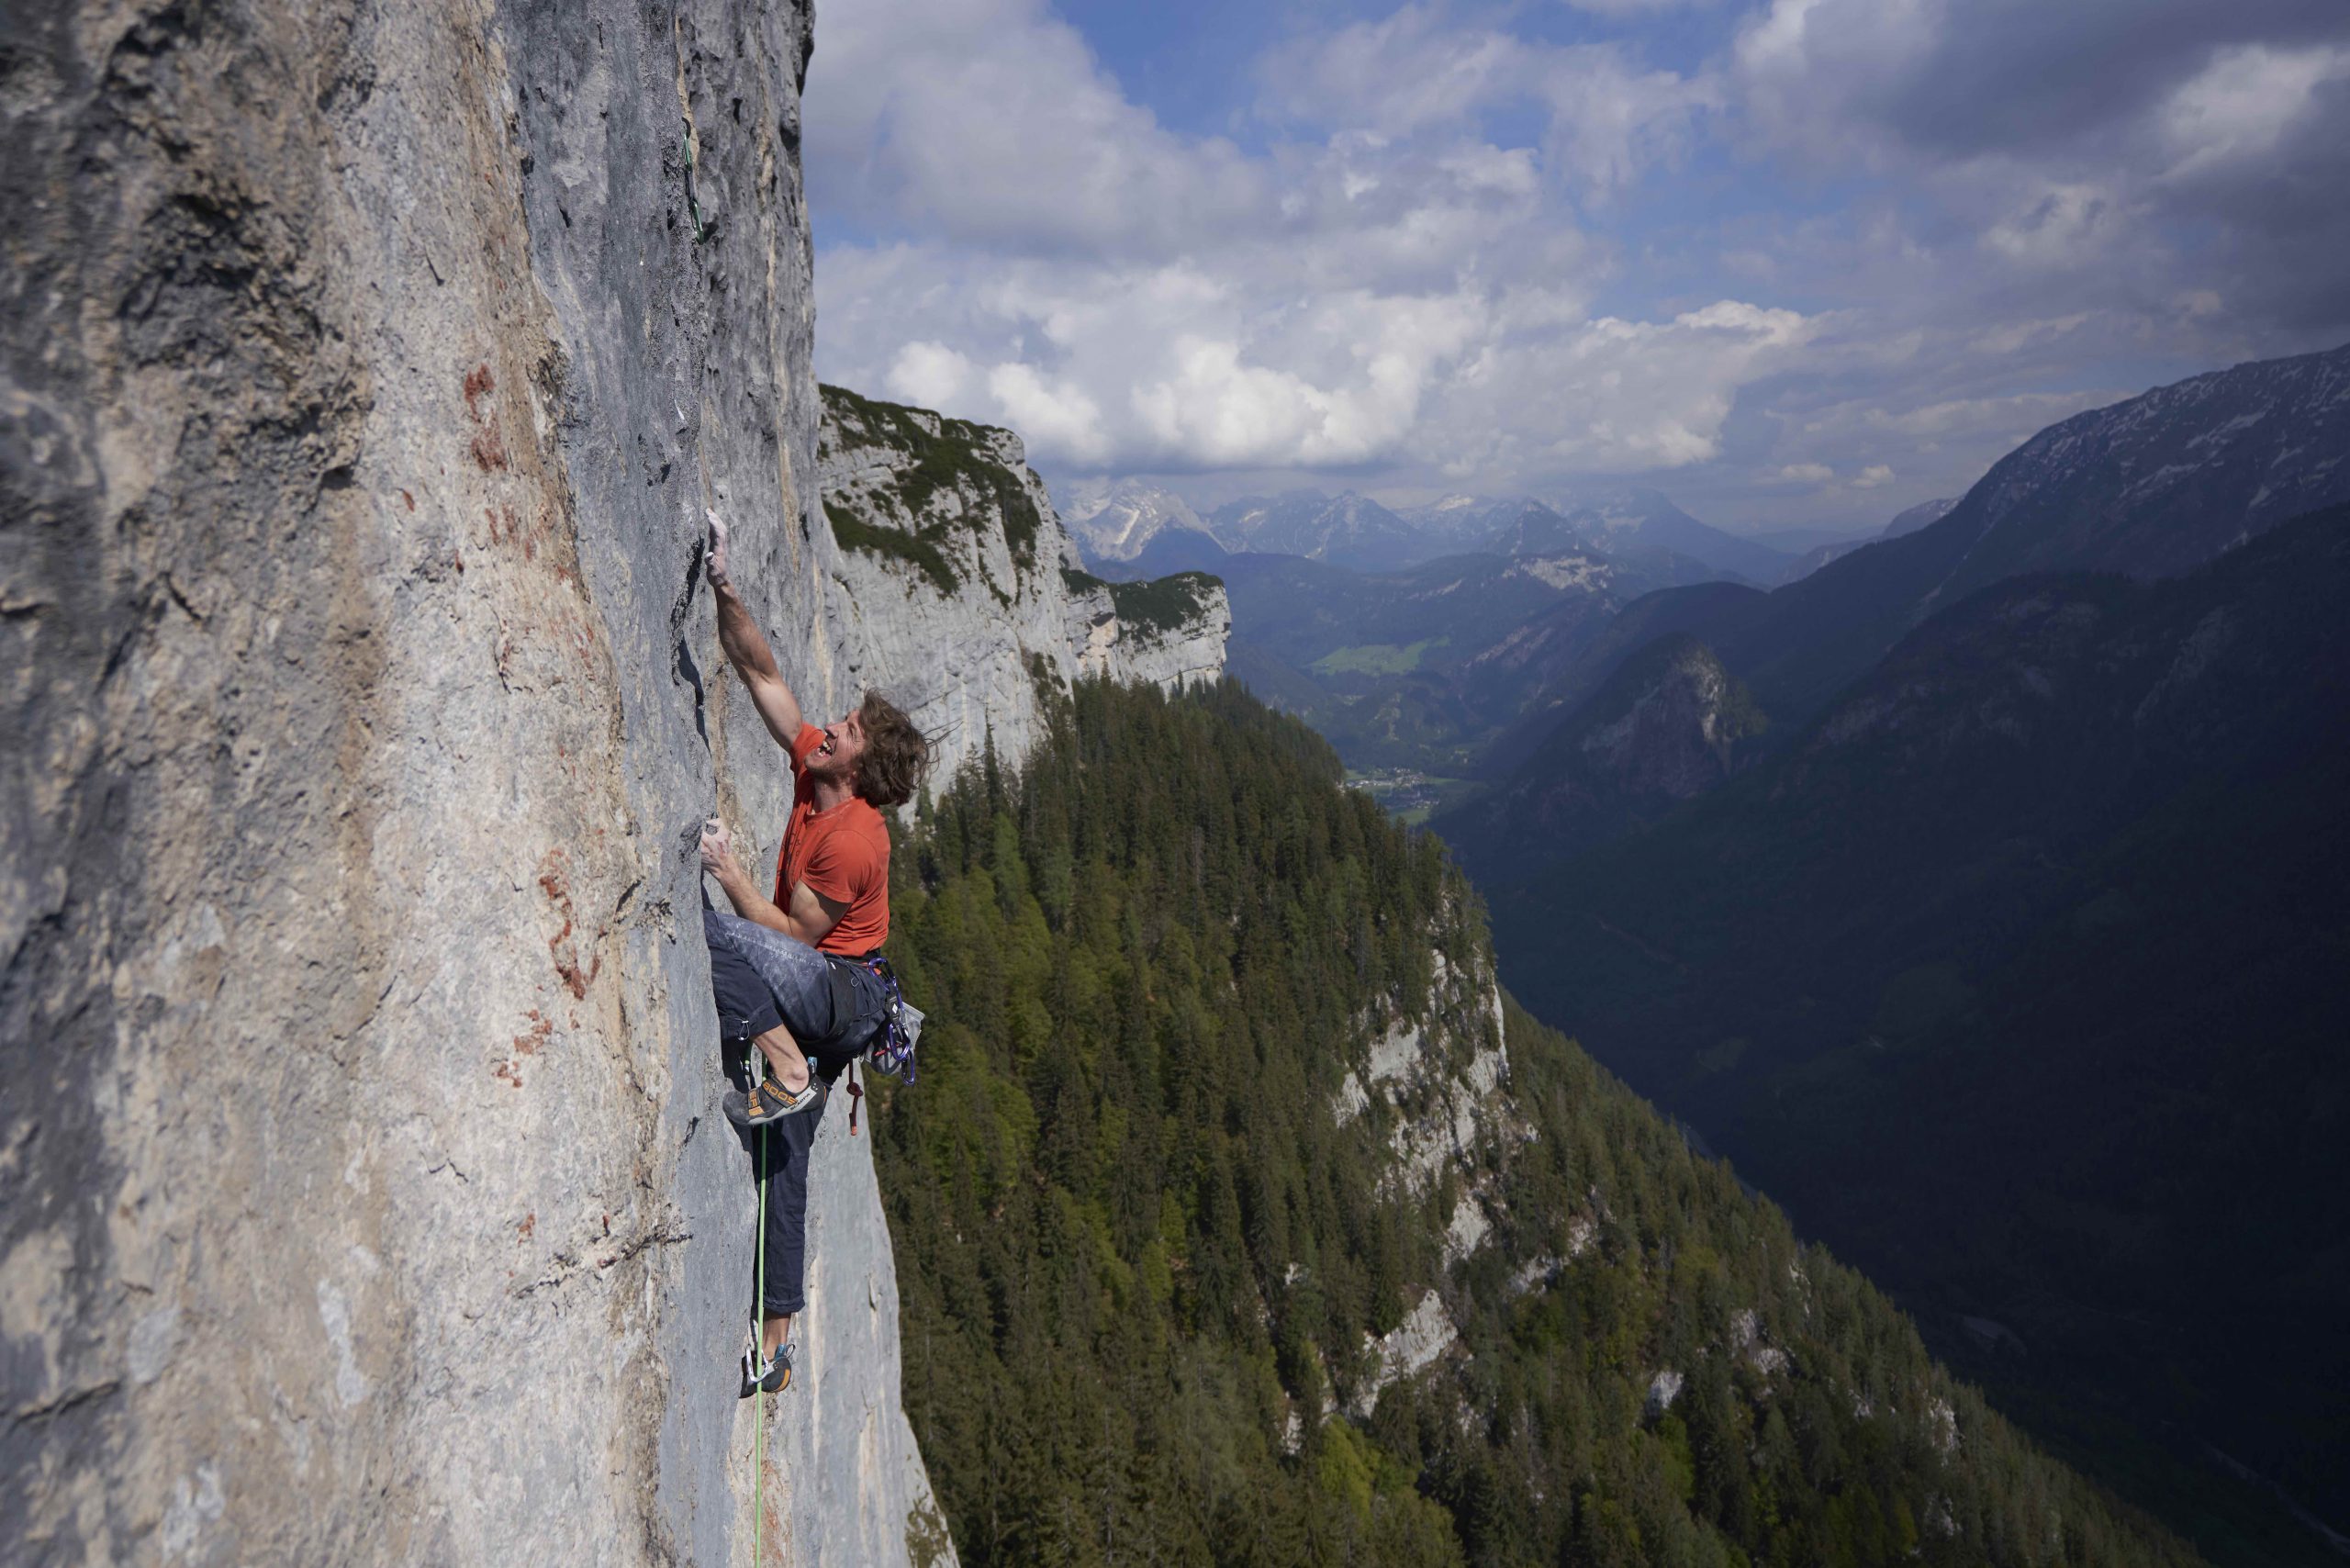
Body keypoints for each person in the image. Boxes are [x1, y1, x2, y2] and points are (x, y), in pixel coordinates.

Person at [698, 507, 930, 1394]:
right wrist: (725, 582)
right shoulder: (813, 769)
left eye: (850, 731)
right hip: (833, 989)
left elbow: (786, 935)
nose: (832, 725)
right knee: (782, 1160)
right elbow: (761, 672)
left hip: (844, 997)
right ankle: (778, 1338)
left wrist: (724, 869)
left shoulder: (855, 839)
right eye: (842, 720)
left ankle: (785, 1067)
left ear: (861, 770)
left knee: (717, 934)